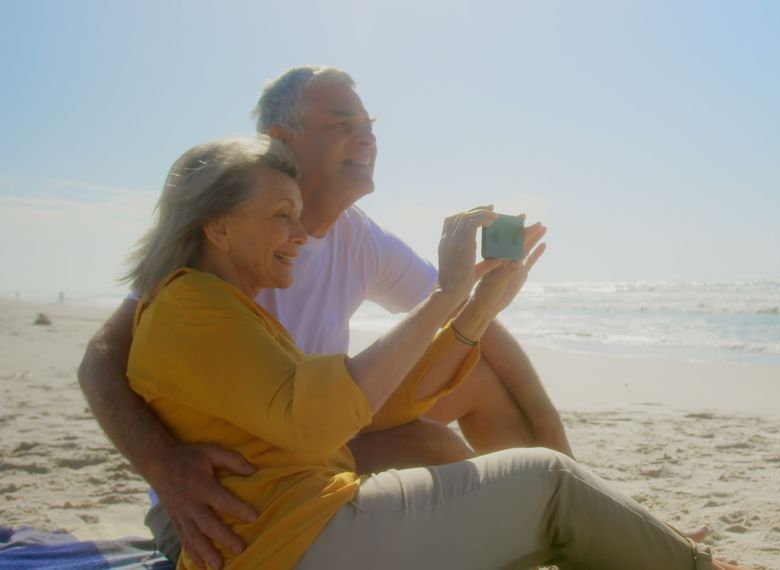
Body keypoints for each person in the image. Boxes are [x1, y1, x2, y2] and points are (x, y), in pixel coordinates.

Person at [126, 136, 739, 569]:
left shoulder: (222, 306)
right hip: (293, 542)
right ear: (217, 226)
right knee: (550, 483)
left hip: (294, 535)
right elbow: (319, 420)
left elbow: (372, 409)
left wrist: (476, 308)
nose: (298, 234)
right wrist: (446, 292)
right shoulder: (191, 305)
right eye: (281, 217)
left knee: (536, 504)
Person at [78, 66, 571, 568]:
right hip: (224, 491)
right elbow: (100, 362)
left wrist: (559, 451)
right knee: (432, 442)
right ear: (281, 140)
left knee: (468, 385)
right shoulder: (222, 242)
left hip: (317, 437)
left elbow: (471, 320)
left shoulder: (357, 235)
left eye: (370, 124)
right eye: (342, 123)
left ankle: (549, 517)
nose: (368, 137)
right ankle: (529, 523)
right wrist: (165, 469)